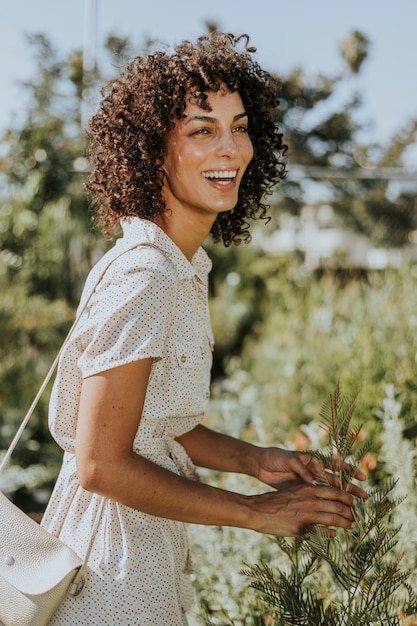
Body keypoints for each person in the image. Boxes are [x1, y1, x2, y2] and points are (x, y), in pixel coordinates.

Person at [41, 32, 366, 625]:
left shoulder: (180, 265)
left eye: (239, 126)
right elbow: (101, 463)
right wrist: (256, 513)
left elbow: (152, 427)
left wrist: (254, 460)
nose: (231, 148)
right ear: (151, 152)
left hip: (142, 558)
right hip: (112, 579)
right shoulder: (147, 275)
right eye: (200, 130)